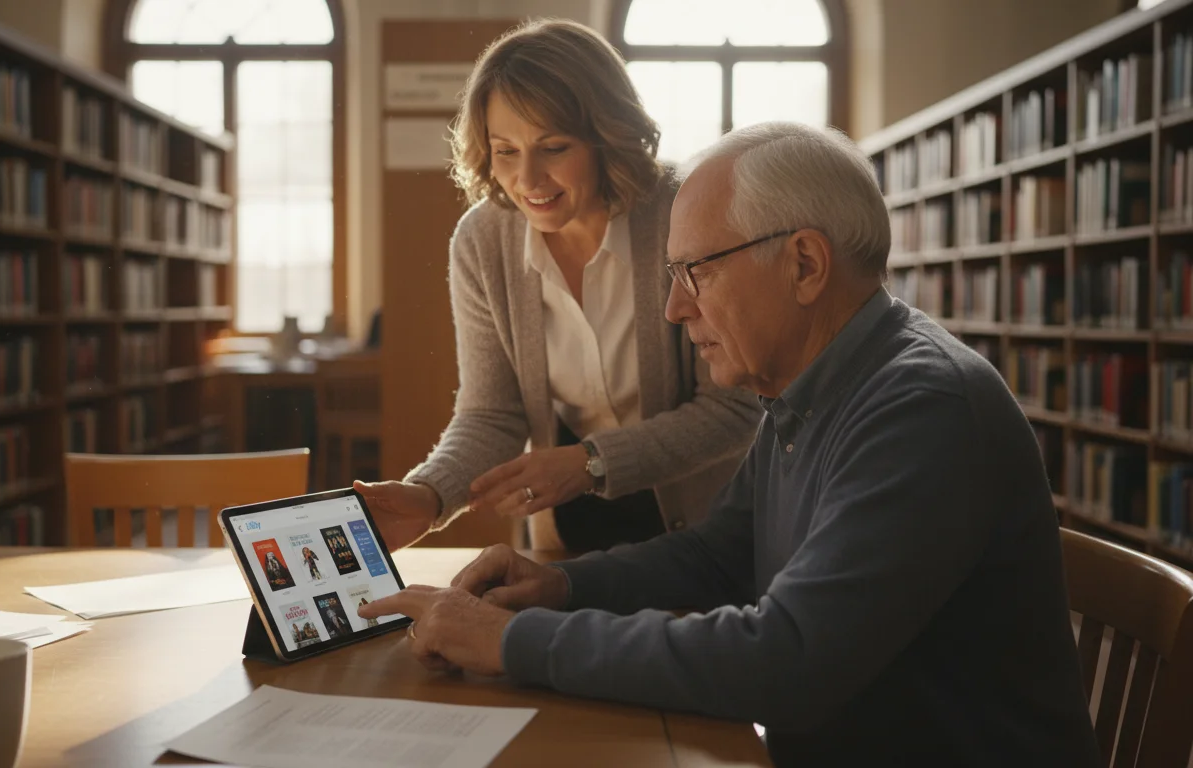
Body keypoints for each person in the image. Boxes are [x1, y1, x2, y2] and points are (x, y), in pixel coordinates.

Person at [357, 122, 1103, 767]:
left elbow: (786, 660)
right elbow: (722, 553)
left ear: (805, 265)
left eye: (696, 272)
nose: (677, 308)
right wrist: (561, 587)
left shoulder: (922, 408)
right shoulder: (812, 382)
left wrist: (512, 645)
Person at [354, 19, 762, 554]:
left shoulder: (682, 212)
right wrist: (429, 496)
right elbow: (492, 413)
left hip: (709, 533)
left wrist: (593, 461)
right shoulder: (483, 241)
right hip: (567, 536)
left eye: (553, 147)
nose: (528, 179)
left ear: (606, 136)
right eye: (505, 150)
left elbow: (735, 409)